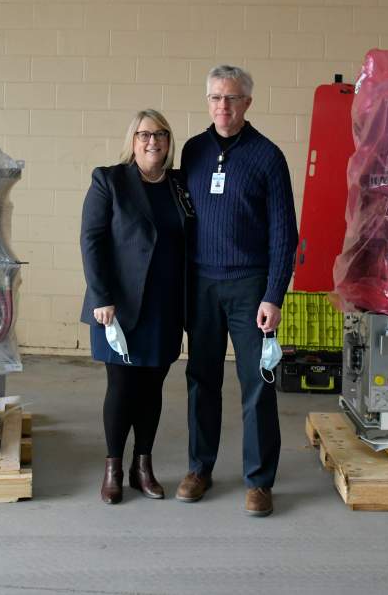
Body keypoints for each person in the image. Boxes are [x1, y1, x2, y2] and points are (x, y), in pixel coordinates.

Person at [177, 65, 297, 517]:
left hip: (250, 289)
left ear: (247, 102)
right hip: (202, 285)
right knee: (201, 381)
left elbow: (284, 234)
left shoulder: (268, 157)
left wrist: (274, 295)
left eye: (230, 98)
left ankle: (259, 481)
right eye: (214, 98)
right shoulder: (192, 151)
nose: (221, 106)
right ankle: (199, 469)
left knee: (258, 385)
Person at [80, 109, 193, 505]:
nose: (152, 142)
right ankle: (113, 468)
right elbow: (92, 241)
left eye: (160, 134)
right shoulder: (109, 180)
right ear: (133, 140)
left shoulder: (180, 184)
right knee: (122, 387)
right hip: (120, 307)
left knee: (153, 388)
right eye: (144, 134)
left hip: (166, 304)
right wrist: (101, 296)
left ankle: (142, 466)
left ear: (168, 141)